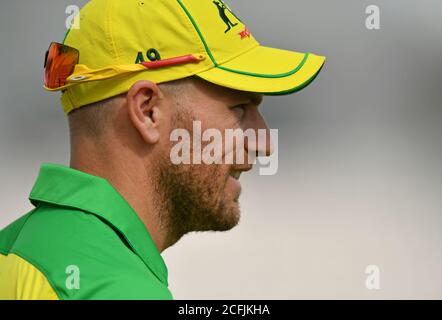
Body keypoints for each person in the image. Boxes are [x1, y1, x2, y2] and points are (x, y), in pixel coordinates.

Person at [0, 0, 325, 299]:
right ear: (147, 111)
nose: (265, 144)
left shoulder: (13, 252)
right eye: (239, 108)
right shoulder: (116, 289)